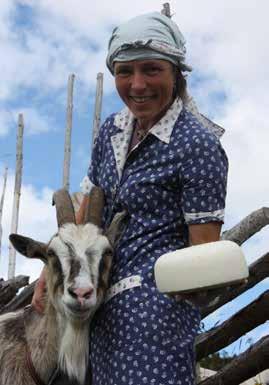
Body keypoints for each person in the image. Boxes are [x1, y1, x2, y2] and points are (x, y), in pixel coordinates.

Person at [33, 12, 228, 385]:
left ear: (176, 73)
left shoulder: (198, 145)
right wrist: (49, 271)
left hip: (154, 320)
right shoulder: (113, 131)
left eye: (151, 70)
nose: (137, 85)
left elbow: (203, 257)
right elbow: (88, 206)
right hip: (95, 303)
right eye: (125, 72)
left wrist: (165, 305)